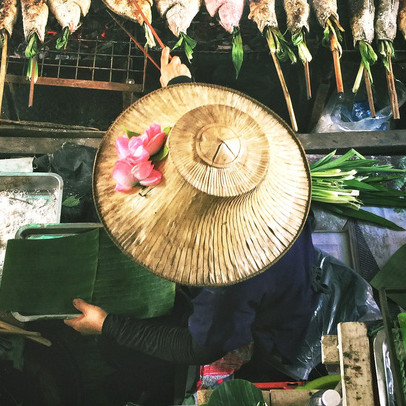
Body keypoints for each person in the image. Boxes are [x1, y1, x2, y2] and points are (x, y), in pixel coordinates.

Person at [64, 47, 321, 405]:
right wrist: (180, 85)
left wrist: (107, 324)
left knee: (123, 353)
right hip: (284, 270)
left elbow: (195, 346)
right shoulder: (257, 154)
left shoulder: (226, 276)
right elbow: (212, 146)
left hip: (279, 327)